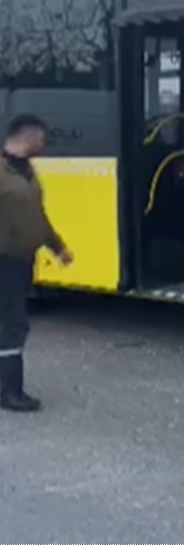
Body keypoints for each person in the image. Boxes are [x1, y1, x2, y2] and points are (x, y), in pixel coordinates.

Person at [0, 114, 73, 412]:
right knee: (14, 324)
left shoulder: (28, 173)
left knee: (10, 323)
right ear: (27, 137)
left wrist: (58, 247)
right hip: (3, 259)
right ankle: (10, 392)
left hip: (21, 261)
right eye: (42, 139)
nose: (44, 145)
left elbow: (37, 216)